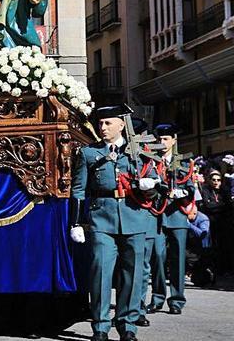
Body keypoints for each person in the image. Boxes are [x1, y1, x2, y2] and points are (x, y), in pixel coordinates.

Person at [69, 105, 160, 341]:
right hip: (102, 218)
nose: (103, 127)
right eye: (100, 123)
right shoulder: (89, 153)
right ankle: (100, 326)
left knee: (133, 273)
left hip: (134, 215)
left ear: (122, 124)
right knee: (101, 270)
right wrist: (76, 223)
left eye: (108, 123)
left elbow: (155, 188)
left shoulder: (139, 152)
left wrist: (150, 189)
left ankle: (128, 325)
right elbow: (78, 190)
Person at [148, 123, 195, 315]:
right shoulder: (151, 161)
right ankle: (158, 297)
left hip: (176, 215)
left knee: (178, 259)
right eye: (159, 139)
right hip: (157, 215)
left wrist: (182, 192)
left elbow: (191, 187)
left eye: (166, 139)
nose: (162, 142)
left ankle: (176, 300)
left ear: (174, 140)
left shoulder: (184, 162)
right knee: (157, 257)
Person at [198, 168, 233, 275]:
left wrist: (215, 206)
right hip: (211, 222)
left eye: (218, 180)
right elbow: (208, 206)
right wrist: (220, 206)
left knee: (224, 245)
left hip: (223, 222)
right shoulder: (206, 190)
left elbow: (229, 205)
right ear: (209, 180)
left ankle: (224, 268)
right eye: (214, 179)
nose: (216, 182)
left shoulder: (224, 191)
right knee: (212, 246)